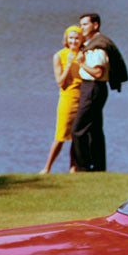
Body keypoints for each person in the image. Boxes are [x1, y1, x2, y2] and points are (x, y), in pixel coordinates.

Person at [71, 13, 127, 171]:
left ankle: (83, 167)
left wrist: (82, 63)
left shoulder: (98, 45)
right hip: (94, 88)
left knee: (78, 130)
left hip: (93, 87)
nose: (81, 28)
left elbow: (98, 73)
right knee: (94, 129)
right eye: (81, 24)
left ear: (95, 25)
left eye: (85, 24)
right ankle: (98, 167)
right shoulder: (93, 43)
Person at [40, 25, 84, 174]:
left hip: (83, 97)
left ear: (82, 39)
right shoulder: (59, 56)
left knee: (76, 136)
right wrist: (69, 64)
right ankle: (47, 167)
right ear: (66, 39)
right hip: (67, 98)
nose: (74, 41)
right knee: (61, 134)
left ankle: (73, 167)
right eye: (71, 38)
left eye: (77, 38)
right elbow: (60, 82)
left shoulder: (84, 54)